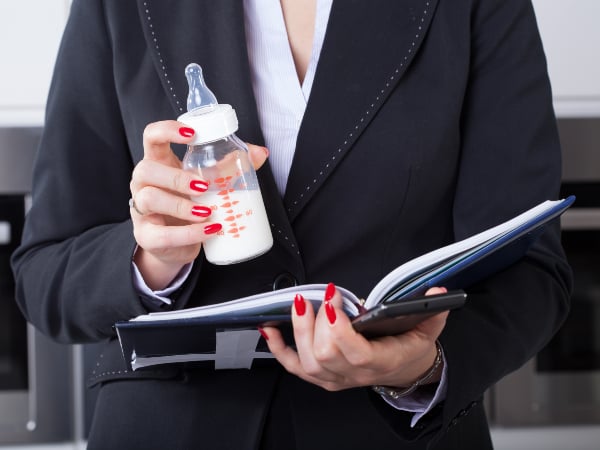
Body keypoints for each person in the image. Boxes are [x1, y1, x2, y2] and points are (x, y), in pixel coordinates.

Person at [11, 0, 572, 449]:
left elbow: (532, 268)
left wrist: (425, 367)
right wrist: (152, 260)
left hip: (390, 432)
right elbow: (44, 276)